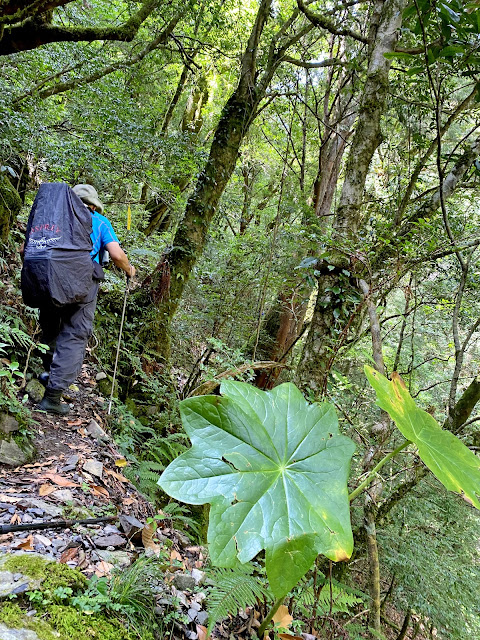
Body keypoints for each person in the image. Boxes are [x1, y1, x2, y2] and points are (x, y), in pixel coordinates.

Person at [37, 184, 135, 415]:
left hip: (50, 278)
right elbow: (116, 254)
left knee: (51, 326)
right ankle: (53, 395)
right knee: (74, 333)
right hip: (82, 282)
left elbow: (25, 248)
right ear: (93, 204)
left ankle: (49, 373)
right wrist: (129, 269)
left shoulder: (53, 216)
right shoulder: (99, 221)